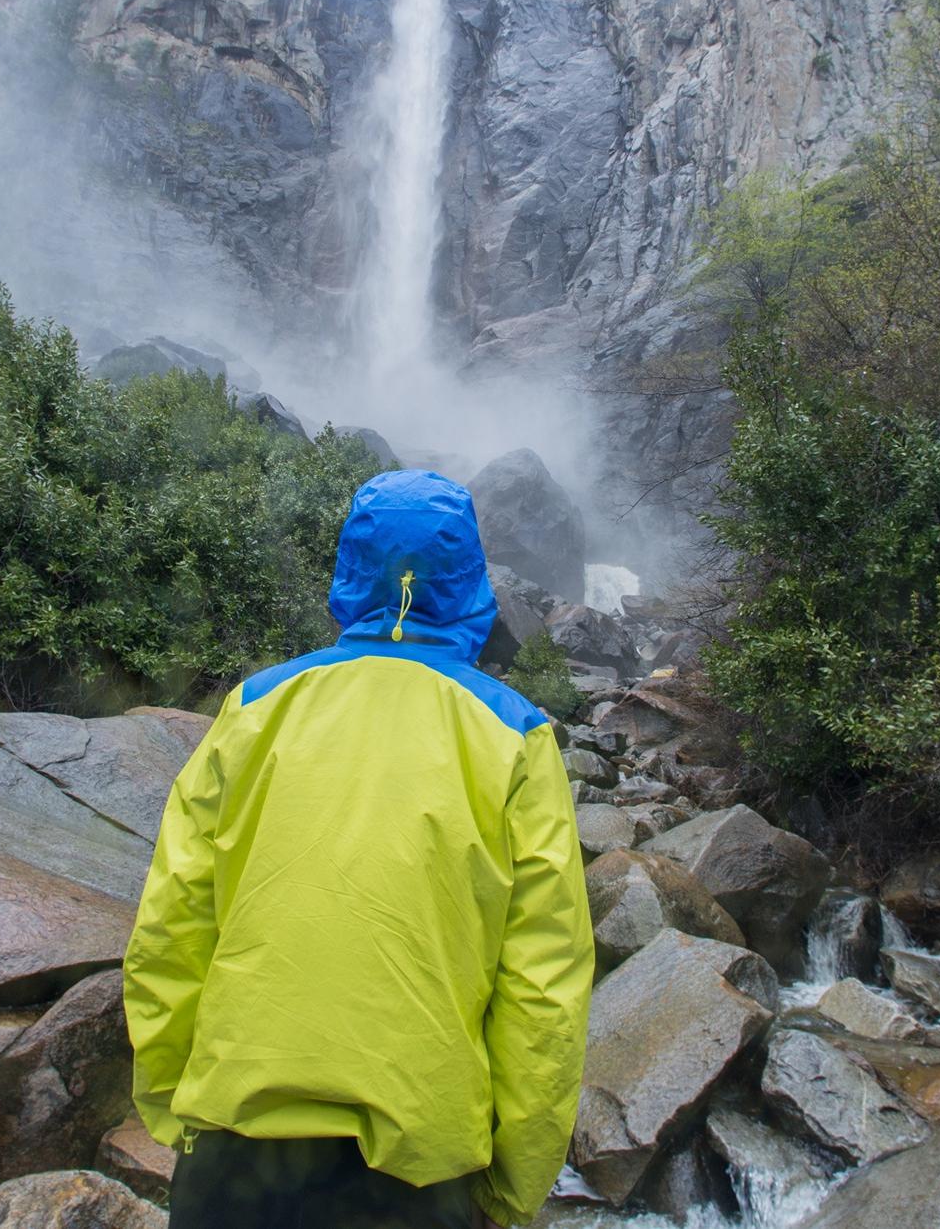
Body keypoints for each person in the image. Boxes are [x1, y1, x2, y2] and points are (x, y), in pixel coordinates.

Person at [123, 468, 594, 1229]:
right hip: (417, 1177)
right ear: (471, 580)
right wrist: (514, 1185)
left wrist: (171, 1106)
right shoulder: (516, 736)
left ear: (348, 571)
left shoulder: (253, 708)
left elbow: (171, 930)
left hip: (233, 1157)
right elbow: (542, 987)